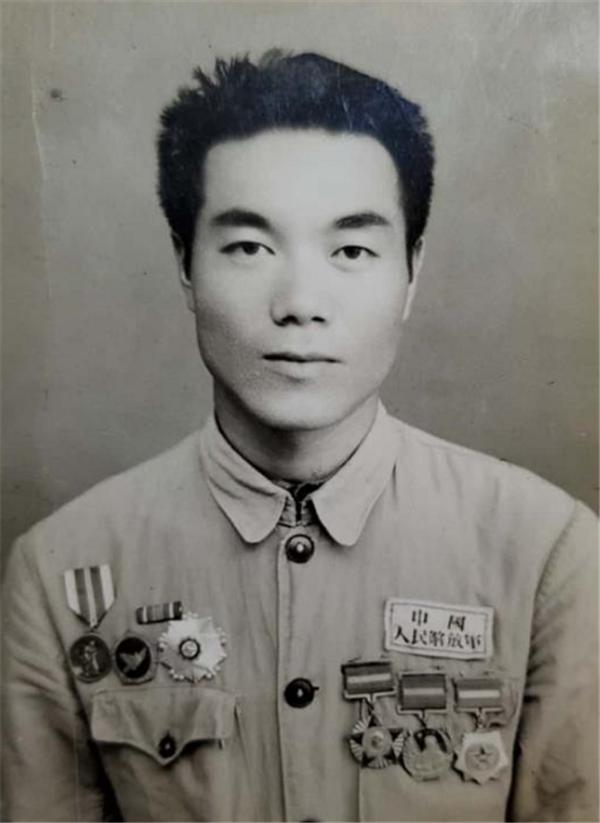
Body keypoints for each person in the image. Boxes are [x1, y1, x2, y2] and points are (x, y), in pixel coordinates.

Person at [2, 50, 597, 822]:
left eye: (351, 250)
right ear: (185, 264)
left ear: (411, 272)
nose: (300, 303)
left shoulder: (549, 552)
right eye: (250, 247)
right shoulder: (59, 570)